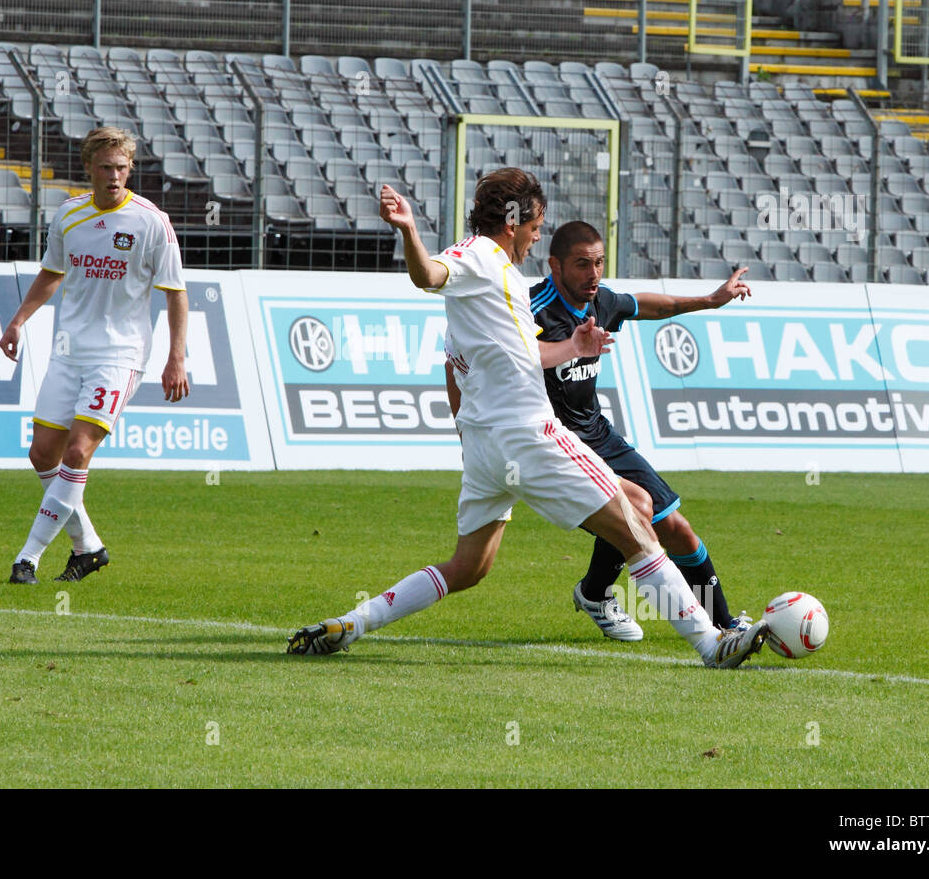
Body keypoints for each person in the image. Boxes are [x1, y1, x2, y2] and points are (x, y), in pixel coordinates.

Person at [287, 170, 769, 667]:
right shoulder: (479, 256)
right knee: (635, 527)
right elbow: (426, 276)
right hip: (527, 433)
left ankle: (353, 623)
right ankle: (711, 644)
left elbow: (511, 356)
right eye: (535, 226)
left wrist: (573, 347)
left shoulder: (494, 284)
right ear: (513, 221)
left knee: (470, 566)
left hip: (483, 446)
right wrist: (409, 231)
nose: (538, 235)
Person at [529, 220, 753, 641]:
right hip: (553, 443)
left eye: (598, 263)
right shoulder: (532, 309)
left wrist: (708, 300)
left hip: (597, 433)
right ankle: (604, 596)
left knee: (678, 528)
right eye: (582, 265)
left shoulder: (601, 303)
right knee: (636, 510)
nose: (593, 274)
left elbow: (650, 306)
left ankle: (726, 626)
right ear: (554, 265)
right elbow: (509, 352)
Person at [0, 126, 189, 584]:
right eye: (106, 168)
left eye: (122, 168)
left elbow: (177, 294)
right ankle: (89, 548)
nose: (115, 176)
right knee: (42, 452)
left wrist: (175, 357)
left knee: (78, 450)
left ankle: (28, 557)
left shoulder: (151, 221)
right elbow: (51, 272)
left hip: (119, 355)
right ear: (89, 168)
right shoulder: (68, 215)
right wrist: (19, 320)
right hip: (68, 352)